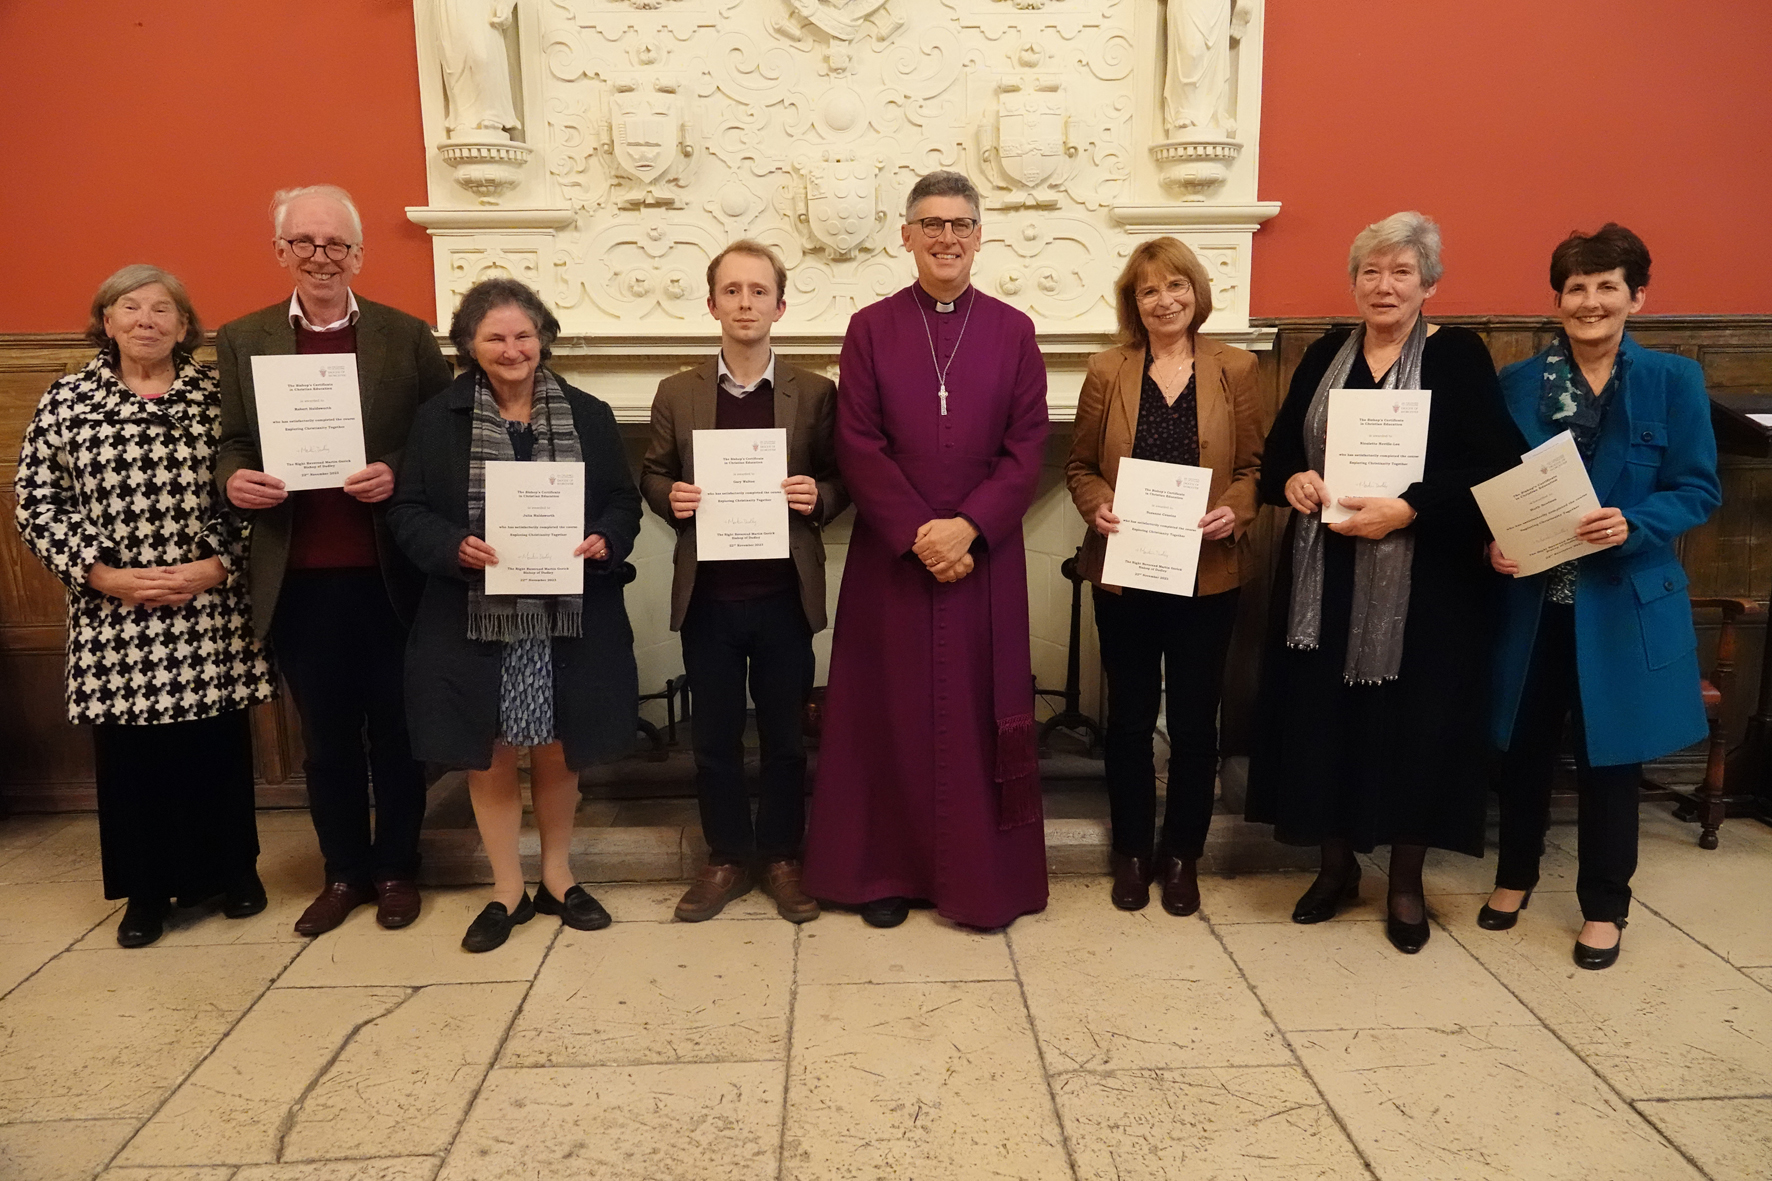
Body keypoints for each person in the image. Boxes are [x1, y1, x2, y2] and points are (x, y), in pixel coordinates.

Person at [1245, 211, 1521, 954]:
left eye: (1402, 271)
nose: (1385, 285)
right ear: (1354, 281)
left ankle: (1404, 882)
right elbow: (1274, 460)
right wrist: (1295, 480)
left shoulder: (1458, 357)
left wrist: (1411, 506)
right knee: (1324, 723)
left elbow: (1499, 463)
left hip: (1427, 590)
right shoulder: (1324, 355)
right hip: (1324, 581)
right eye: (1371, 271)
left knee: (1415, 730)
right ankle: (1335, 869)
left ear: (1430, 283)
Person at [801, 170, 1051, 931]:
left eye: (961, 224)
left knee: (978, 711)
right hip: (895, 560)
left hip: (983, 560)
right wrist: (921, 533)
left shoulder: (1013, 330)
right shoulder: (871, 327)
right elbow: (858, 443)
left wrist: (968, 527)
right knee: (887, 712)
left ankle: (981, 877)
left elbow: (1028, 445)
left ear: (980, 235)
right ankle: (882, 870)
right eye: (931, 223)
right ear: (904, 235)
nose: (947, 237)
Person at [215, 185, 454, 937]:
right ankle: (343, 869)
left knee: (398, 732)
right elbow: (230, 440)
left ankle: (397, 869)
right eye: (305, 243)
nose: (322, 257)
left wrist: (394, 465)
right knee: (326, 740)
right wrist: (232, 478)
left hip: (390, 574)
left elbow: (440, 439)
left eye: (337, 244)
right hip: (299, 577)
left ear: (360, 253)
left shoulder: (406, 336)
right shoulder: (242, 337)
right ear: (280, 250)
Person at [15, 266, 277, 947]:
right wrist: (102, 575)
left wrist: (216, 564)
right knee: (132, 756)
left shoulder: (219, 397)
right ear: (106, 321)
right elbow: (37, 502)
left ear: (185, 326)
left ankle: (233, 872)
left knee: (215, 743)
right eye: (129, 307)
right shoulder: (68, 399)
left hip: (206, 602)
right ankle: (143, 891)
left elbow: (255, 485)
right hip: (114, 612)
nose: (146, 319)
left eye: (163, 309)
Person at [1480, 225, 1720, 970]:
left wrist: (1637, 521)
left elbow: (1699, 488)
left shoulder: (1672, 381)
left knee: (1609, 756)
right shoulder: (1517, 385)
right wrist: (1490, 543)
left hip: (1622, 602)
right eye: (1576, 288)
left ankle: (1604, 905)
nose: (1590, 301)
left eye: (1607, 286)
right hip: (1534, 601)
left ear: (1636, 297)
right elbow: (1487, 488)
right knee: (1522, 746)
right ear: (1557, 300)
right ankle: (1515, 874)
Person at [389, 278, 641, 952]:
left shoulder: (588, 413)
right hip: (472, 616)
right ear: (470, 343)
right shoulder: (435, 417)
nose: (511, 348)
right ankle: (507, 888)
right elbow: (407, 511)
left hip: (568, 615)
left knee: (560, 745)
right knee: (490, 747)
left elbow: (622, 499)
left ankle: (558, 876)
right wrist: (451, 546)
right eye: (495, 336)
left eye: (523, 335)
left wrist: (605, 538)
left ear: (543, 338)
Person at [641, 240, 847, 924]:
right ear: (712, 305)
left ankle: (784, 856)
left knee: (787, 737)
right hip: (710, 597)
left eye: (759, 291)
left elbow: (844, 480)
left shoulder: (815, 393)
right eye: (732, 291)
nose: (745, 303)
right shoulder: (677, 392)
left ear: (780, 305)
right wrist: (668, 494)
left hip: (785, 594)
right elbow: (652, 472)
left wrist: (817, 494)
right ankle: (727, 854)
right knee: (716, 737)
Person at [1064, 236, 1263, 916]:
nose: (1165, 299)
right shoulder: (1107, 369)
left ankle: (1182, 854)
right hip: (1126, 572)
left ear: (1196, 293)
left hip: (1208, 574)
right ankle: (1132, 851)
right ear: (1135, 302)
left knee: (1193, 722)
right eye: (1150, 290)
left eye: (1176, 286)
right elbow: (1079, 466)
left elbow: (1256, 468)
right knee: (1126, 720)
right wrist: (1098, 506)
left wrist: (1235, 510)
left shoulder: (1236, 368)